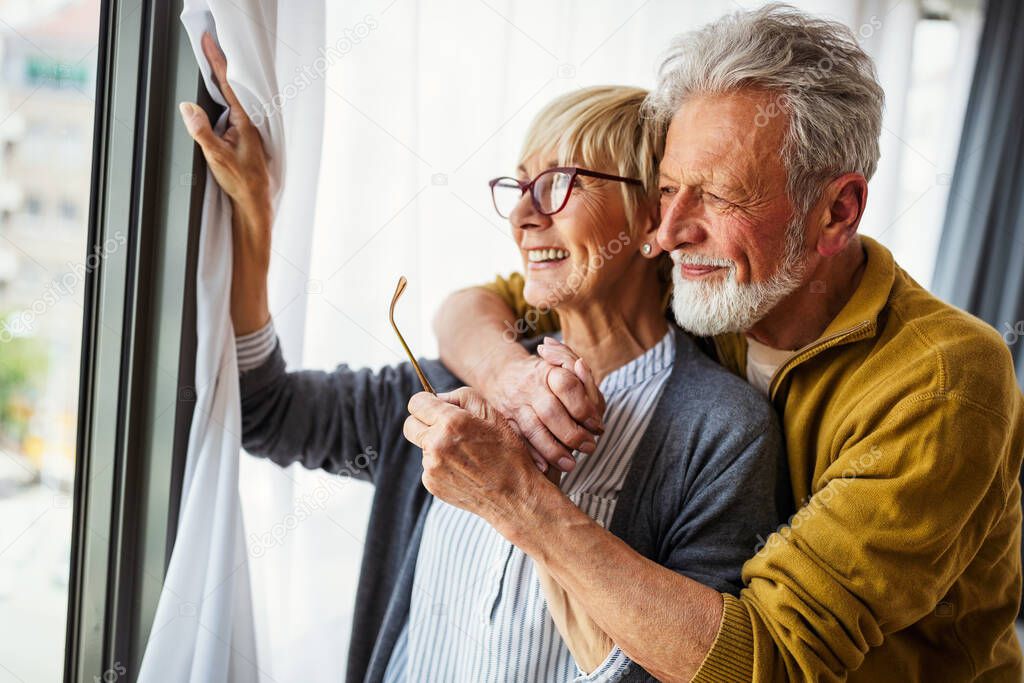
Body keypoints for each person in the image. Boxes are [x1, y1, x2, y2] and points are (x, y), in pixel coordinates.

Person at [413, 4, 1024, 681]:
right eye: (668, 189)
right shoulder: (708, 281)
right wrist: (512, 378)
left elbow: (770, 661)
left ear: (837, 211)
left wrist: (518, 500)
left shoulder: (945, 380)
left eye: (719, 196)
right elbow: (478, 305)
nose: (670, 231)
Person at [178, 32, 787, 682]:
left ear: (649, 222)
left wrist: (518, 493)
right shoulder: (459, 380)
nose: (523, 214)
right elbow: (264, 410)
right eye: (518, 185)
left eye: (557, 185)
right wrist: (255, 217)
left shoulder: (721, 432)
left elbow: (693, 671)